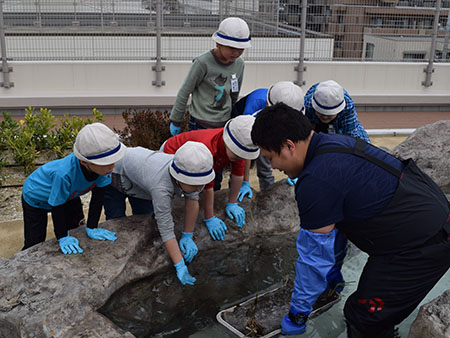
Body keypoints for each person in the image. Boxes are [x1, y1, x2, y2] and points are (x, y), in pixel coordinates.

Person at [251, 102, 450, 337]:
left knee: (364, 317)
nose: (273, 167)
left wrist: (298, 313)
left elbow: (313, 259)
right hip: (426, 216)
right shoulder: (334, 143)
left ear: (289, 146)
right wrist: (333, 271)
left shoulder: (316, 182)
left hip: (423, 244)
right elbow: (335, 229)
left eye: (270, 158)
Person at [103, 142, 215, 286]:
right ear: (179, 177)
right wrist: (180, 265)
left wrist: (188, 235)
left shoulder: (193, 169)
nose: (199, 188)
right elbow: (166, 228)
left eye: (202, 183)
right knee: (117, 219)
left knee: (145, 218)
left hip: (141, 178)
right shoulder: (161, 186)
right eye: (194, 185)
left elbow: (193, 200)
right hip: (114, 173)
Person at [22, 123, 126, 254]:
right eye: (105, 163)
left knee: (77, 228)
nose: (111, 167)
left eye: (112, 161)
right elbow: (57, 207)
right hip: (36, 197)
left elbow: (98, 198)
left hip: (69, 196)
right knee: (34, 242)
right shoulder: (64, 174)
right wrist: (62, 237)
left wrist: (92, 227)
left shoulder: (103, 170)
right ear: (84, 161)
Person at [162, 115, 260, 241]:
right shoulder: (208, 149)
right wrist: (209, 217)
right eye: (237, 155)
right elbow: (207, 188)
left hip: (197, 161)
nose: (240, 158)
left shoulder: (238, 147)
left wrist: (232, 202)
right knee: (176, 192)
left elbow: (237, 174)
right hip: (172, 153)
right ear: (228, 143)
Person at [169, 17, 251, 136]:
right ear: (218, 43)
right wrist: (176, 119)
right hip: (199, 123)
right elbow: (185, 91)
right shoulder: (202, 63)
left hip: (224, 123)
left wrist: (233, 117)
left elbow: (234, 93)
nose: (236, 52)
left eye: (241, 48)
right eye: (232, 48)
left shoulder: (239, 64)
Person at [231, 81, 304, 200]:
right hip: (243, 128)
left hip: (268, 124)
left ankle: (268, 196)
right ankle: (243, 191)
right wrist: (245, 181)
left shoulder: (292, 103)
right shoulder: (252, 110)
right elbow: (245, 146)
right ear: (267, 105)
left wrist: (293, 170)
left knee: (268, 165)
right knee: (263, 162)